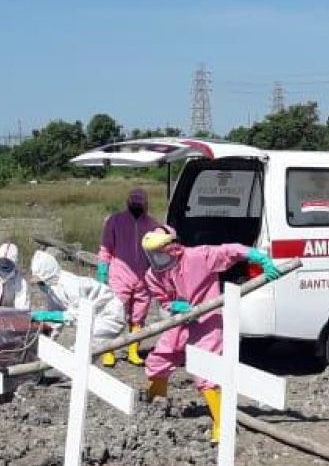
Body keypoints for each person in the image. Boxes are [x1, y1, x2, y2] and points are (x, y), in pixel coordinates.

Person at [141, 226, 281, 443]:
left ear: (172, 246)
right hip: (180, 321)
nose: (156, 257)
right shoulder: (153, 274)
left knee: (206, 372)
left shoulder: (199, 257)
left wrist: (258, 257)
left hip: (207, 320)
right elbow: (163, 299)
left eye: (160, 250)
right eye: (152, 253)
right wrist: (174, 305)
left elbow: (231, 250)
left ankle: (222, 425)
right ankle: (155, 409)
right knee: (159, 359)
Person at [97, 188, 160, 368]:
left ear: (145, 204)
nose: (137, 207)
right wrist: (102, 271)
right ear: (128, 203)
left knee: (138, 316)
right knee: (115, 313)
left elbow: (159, 250)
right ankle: (109, 351)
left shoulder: (152, 225)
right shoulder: (115, 221)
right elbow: (106, 248)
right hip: (119, 275)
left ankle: (133, 350)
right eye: (134, 203)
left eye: (140, 204)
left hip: (144, 277)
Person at [30, 250, 126, 346]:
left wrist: (49, 316)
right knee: (80, 350)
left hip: (109, 314)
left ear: (48, 276)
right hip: (93, 315)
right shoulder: (52, 288)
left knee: (83, 349)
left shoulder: (71, 285)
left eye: (40, 282)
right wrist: (48, 340)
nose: (39, 285)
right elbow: (55, 319)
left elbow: (75, 315)